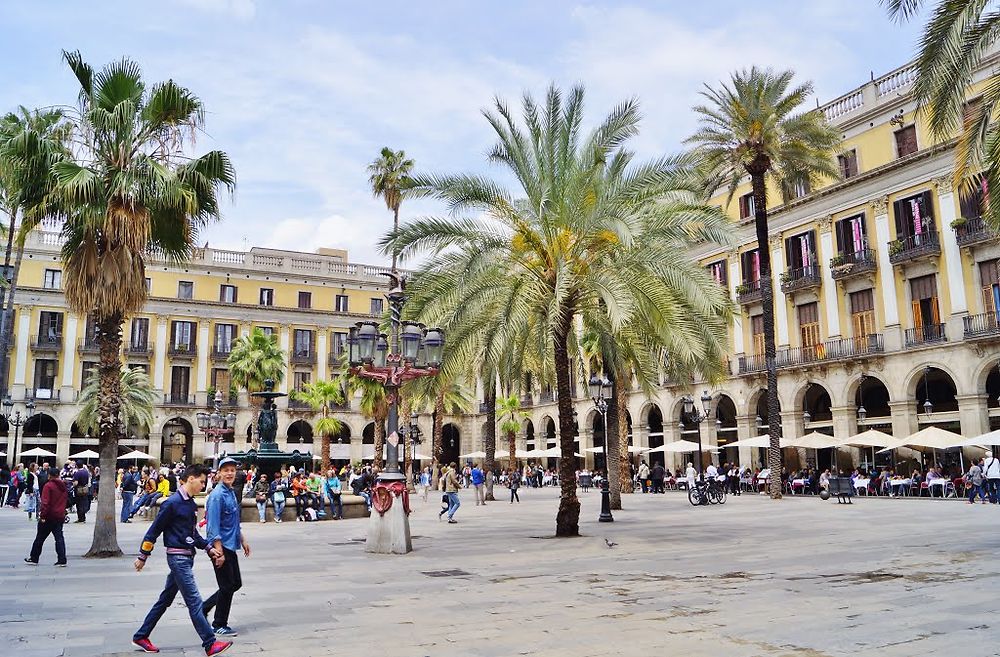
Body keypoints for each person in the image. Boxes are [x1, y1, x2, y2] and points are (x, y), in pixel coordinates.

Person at [131, 464, 233, 656]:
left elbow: (192, 533)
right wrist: (142, 556)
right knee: (194, 602)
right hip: (177, 558)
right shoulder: (172, 503)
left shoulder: (190, 504)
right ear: (190, 478)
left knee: (165, 599)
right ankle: (210, 643)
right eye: (202, 481)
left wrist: (209, 548)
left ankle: (141, 635)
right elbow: (154, 531)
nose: (203, 485)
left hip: (186, 557)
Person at [202, 458, 250, 638]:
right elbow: (213, 526)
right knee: (227, 585)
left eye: (232, 470)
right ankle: (219, 624)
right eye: (226, 470)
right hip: (220, 547)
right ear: (219, 473)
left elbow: (233, 521)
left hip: (231, 544)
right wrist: (219, 552)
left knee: (234, 583)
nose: (230, 473)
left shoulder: (230, 492)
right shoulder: (217, 496)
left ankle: (204, 607)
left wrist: (242, 539)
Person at [25, 468, 67, 567]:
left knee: (40, 538)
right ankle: (62, 559)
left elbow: (45, 503)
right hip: (60, 515)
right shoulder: (63, 486)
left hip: (49, 516)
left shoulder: (48, 486)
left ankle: (34, 557)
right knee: (59, 538)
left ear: (49, 475)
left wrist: (42, 515)